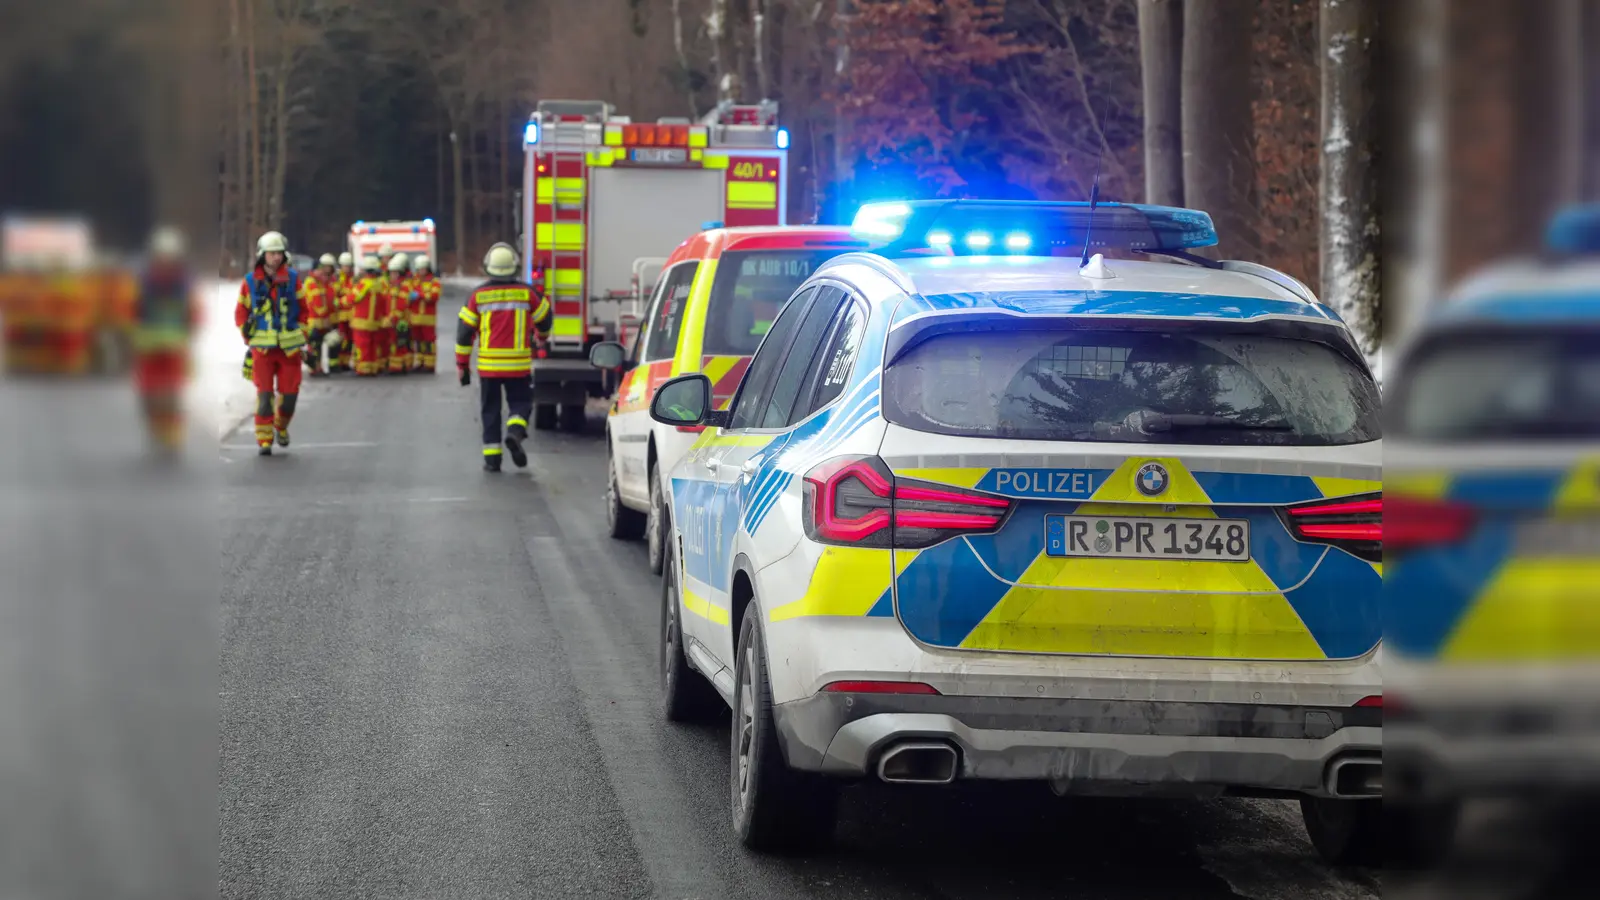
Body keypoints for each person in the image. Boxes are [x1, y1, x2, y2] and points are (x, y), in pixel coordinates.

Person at [456, 242, 551, 472]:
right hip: (518, 364)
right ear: (513, 267)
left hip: (489, 367)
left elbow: (464, 333)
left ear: (488, 267)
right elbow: (545, 318)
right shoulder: (527, 293)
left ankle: (492, 458)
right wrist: (542, 336)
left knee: (490, 410)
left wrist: (462, 365)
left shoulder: (477, 296)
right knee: (520, 403)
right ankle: (515, 432)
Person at [235, 231, 307, 455]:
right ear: (262, 255)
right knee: (264, 396)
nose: (275, 257)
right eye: (271, 253)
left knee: (289, 398)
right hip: (262, 351)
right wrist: (247, 334)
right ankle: (264, 440)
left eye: (278, 253)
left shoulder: (294, 280)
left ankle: (281, 427)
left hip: (289, 349)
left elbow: (305, 311)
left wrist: (301, 334)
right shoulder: (249, 282)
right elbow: (240, 312)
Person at [131, 227, 198, 455]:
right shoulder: (143, 284)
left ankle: (171, 435)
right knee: (149, 396)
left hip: (173, 349)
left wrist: (189, 334)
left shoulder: (183, 285)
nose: (165, 261)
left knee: (170, 396)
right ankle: (156, 430)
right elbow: (131, 312)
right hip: (148, 348)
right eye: (161, 256)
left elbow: (193, 313)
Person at [300, 253, 338, 377]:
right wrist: (326, 316)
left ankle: (318, 367)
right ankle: (314, 368)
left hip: (320, 321)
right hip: (314, 322)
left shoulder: (319, 282)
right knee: (315, 346)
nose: (322, 272)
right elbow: (318, 304)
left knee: (318, 346)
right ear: (314, 270)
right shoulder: (312, 282)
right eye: (319, 270)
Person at [348, 255, 386, 376]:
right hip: (375, 322)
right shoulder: (379, 284)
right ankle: (372, 368)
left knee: (362, 345)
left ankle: (363, 369)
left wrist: (338, 302)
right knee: (372, 346)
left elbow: (353, 298)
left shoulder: (364, 284)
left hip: (362, 321)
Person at [408, 254, 441, 373]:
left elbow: (434, 296)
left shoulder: (434, 281)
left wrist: (420, 296)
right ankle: (420, 362)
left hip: (428, 319)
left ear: (427, 269)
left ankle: (430, 364)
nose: (421, 271)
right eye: (419, 269)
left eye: (423, 269)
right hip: (415, 318)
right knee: (418, 341)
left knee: (429, 342)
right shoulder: (414, 281)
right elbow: (408, 293)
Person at [385, 253, 411, 375]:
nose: (392, 275)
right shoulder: (390, 286)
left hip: (400, 321)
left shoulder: (403, 287)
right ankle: (398, 365)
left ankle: (398, 367)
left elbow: (401, 305)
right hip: (392, 320)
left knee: (399, 344)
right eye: (391, 273)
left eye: (394, 273)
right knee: (394, 343)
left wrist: (393, 317)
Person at [332, 251, 356, 372]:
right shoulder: (336, 278)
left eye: (348, 266)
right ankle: (339, 361)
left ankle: (346, 362)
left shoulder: (354, 279)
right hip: (340, 315)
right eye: (345, 266)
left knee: (350, 339)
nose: (347, 268)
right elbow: (334, 294)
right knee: (341, 339)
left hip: (351, 314)